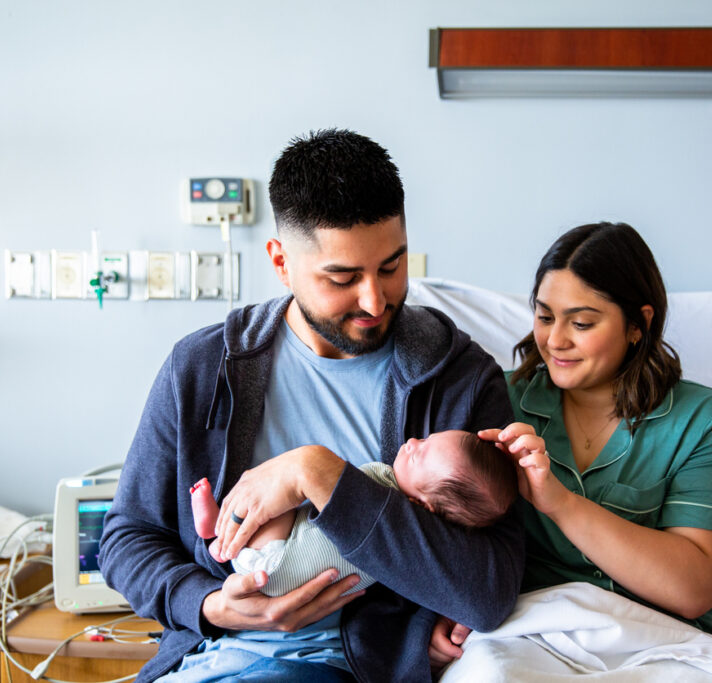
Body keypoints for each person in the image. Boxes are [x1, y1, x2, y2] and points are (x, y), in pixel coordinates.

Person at [99, 129, 523, 683]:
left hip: (344, 667)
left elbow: (488, 590)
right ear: (281, 262)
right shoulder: (203, 368)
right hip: (209, 655)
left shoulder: (458, 380)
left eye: (392, 267)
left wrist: (319, 474)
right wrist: (206, 605)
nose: (375, 300)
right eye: (343, 278)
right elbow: (127, 537)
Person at [429, 222, 712, 671]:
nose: (555, 340)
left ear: (638, 325)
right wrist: (433, 615)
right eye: (545, 317)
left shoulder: (706, 422)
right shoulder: (495, 402)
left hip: (671, 646)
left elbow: (694, 588)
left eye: (581, 323)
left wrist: (561, 504)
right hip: (531, 638)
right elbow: (436, 520)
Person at [190, 430, 518, 597]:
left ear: (422, 504)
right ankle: (216, 532)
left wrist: (305, 471)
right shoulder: (413, 543)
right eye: (426, 439)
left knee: (277, 500)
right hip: (272, 579)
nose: (414, 441)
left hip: (274, 566)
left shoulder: (383, 490)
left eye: (419, 454)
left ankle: (217, 534)